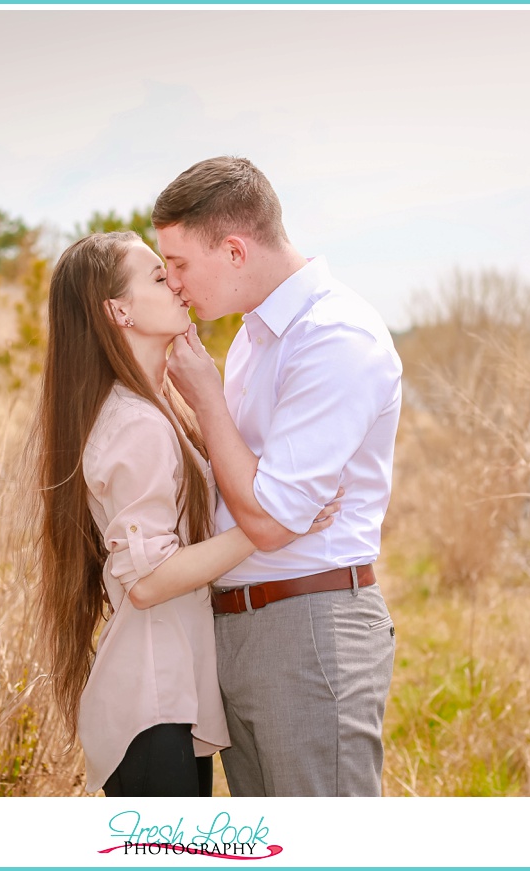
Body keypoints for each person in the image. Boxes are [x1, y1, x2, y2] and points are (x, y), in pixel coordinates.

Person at [33, 231, 338, 797]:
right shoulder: (135, 424)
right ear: (117, 310)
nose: (175, 282)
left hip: (167, 699)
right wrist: (274, 522)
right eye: (156, 276)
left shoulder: (153, 411)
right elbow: (147, 581)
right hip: (149, 706)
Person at [153, 156, 403, 797]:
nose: (173, 284)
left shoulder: (335, 338)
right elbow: (238, 476)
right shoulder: (255, 338)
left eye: (179, 264)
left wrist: (206, 396)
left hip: (309, 631)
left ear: (234, 250)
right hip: (241, 630)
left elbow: (268, 519)